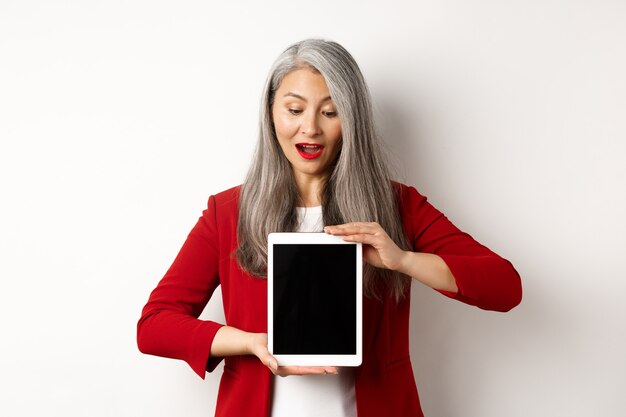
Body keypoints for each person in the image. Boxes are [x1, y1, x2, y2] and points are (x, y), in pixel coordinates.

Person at [136, 38, 522, 417]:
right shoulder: (228, 212)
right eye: (294, 109)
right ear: (272, 113)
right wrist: (252, 344)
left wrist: (402, 259)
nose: (310, 128)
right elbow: (154, 325)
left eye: (330, 111)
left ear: (351, 119)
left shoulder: (396, 206)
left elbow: (505, 286)